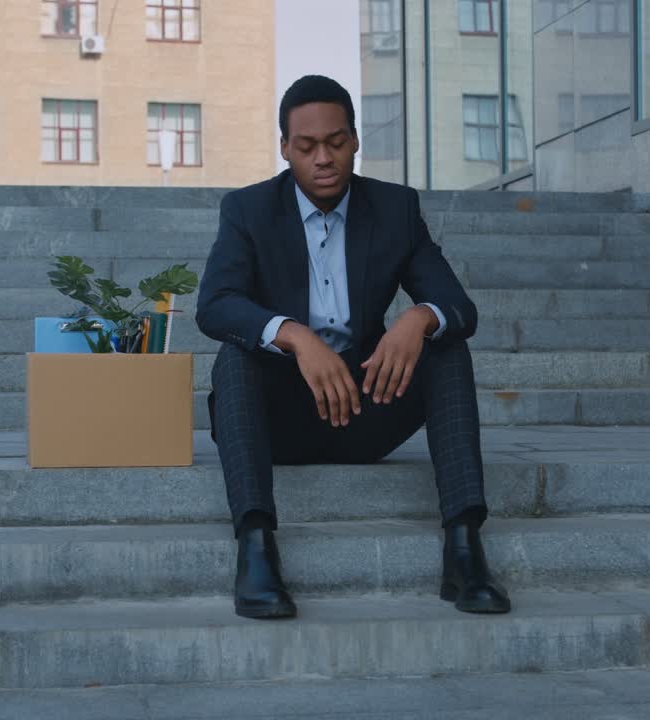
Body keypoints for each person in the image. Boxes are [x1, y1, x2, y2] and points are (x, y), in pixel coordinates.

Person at [196, 74, 510, 620]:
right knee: (236, 357)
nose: (324, 158)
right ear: (284, 148)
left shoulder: (394, 209)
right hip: (281, 419)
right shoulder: (248, 210)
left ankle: (464, 551)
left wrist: (417, 317)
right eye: (307, 146)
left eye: (336, 143)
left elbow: (458, 305)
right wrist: (294, 336)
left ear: (356, 140)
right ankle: (256, 551)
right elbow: (215, 304)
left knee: (446, 346)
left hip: (365, 408)